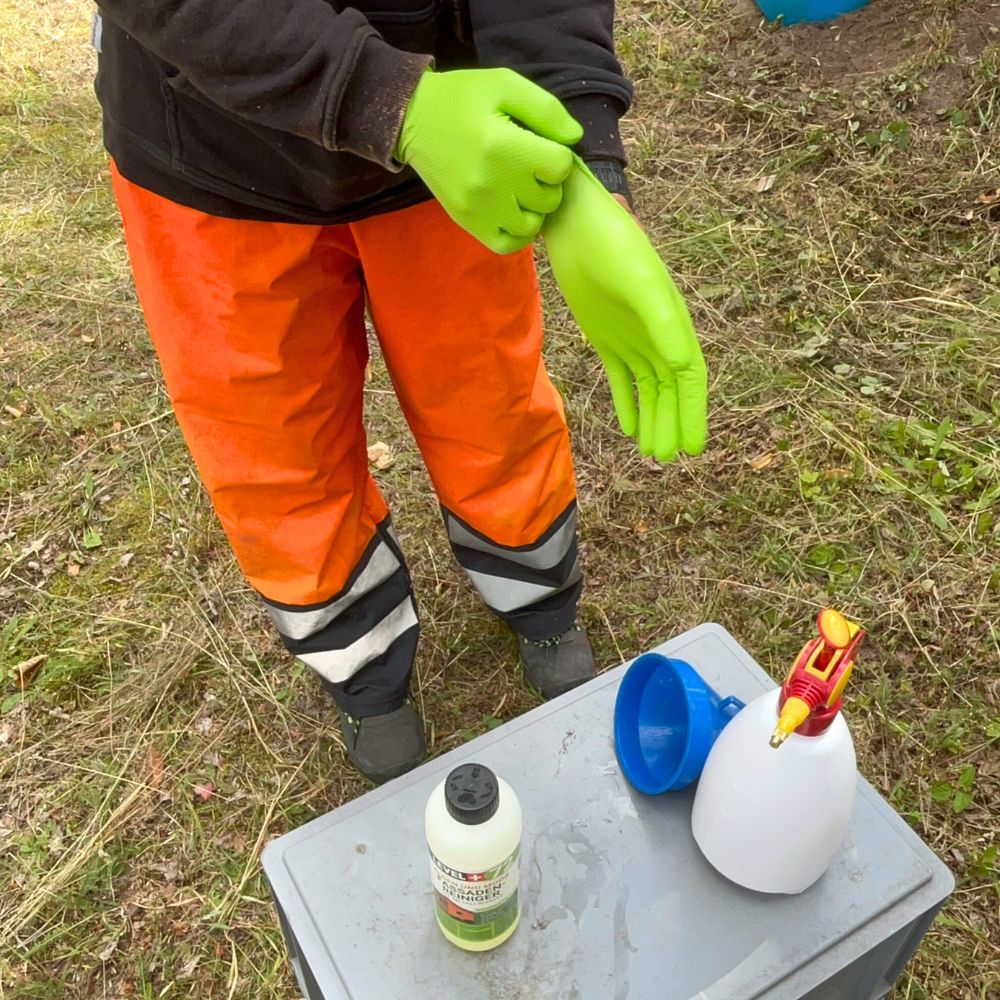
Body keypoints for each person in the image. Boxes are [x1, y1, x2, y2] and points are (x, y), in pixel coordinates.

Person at [92, 0, 640, 784]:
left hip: (458, 140)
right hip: (210, 151)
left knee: (487, 393)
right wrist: (389, 101)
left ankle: (539, 597)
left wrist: (587, 149)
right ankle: (362, 664)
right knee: (271, 445)